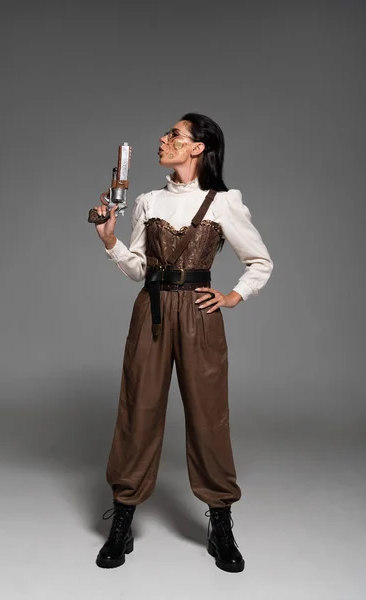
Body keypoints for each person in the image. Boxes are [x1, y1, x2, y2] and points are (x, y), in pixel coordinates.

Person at [93, 113, 273, 572]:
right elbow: (137, 266)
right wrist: (110, 239)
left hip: (198, 314)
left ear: (197, 148)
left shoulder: (224, 202)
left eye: (174, 135)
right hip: (149, 310)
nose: (163, 139)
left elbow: (259, 261)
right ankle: (123, 520)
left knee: (209, 414)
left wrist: (233, 295)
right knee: (139, 409)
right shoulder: (149, 201)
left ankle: (221, 523)